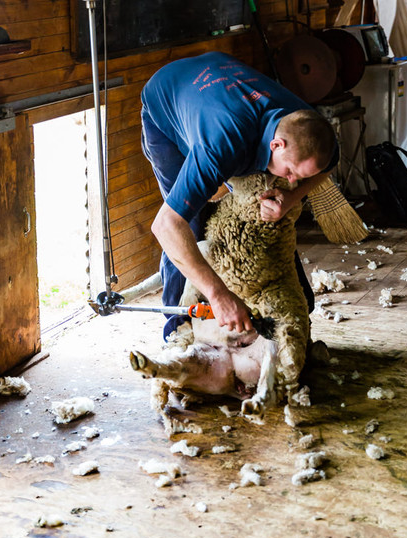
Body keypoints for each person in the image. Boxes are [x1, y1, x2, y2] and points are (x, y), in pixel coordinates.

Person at [141, 51, 338, 340]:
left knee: (264, 214)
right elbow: (166, 225)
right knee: (190, 222)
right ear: (276, 145)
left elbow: (328, 164)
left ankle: (296, 311)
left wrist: (291, 199)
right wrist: (218, 295)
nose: (293, 180)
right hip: (166, 102)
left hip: (218, 89)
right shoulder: (222, 145)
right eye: (291, 171)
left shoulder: (306, 124)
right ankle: (177, 328)